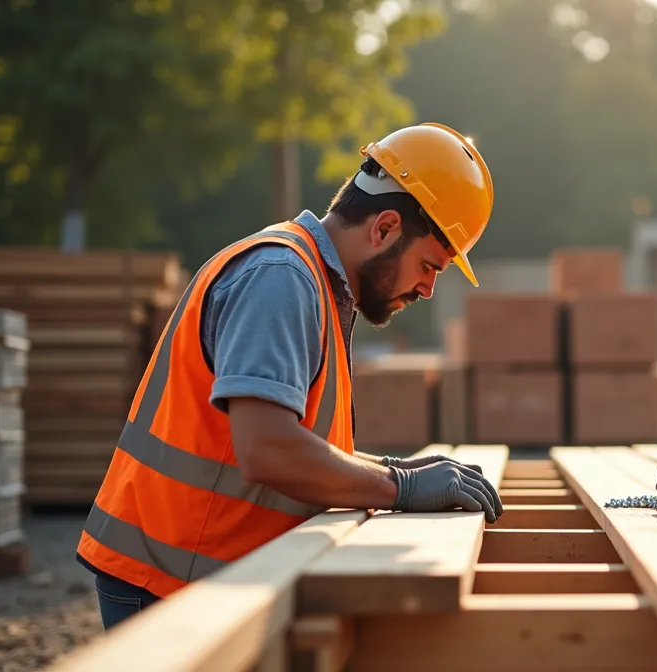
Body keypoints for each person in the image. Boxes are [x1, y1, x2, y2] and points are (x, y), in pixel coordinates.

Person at [76, 123, 505, 629]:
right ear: (385, 228)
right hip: (169, 581)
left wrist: (393, 468)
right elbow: (270, 449)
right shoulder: (282, 278)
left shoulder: (315, 282)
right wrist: (401, 485)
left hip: (200, 575)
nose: (429, 289)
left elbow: (299, 444)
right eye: (430, 265)